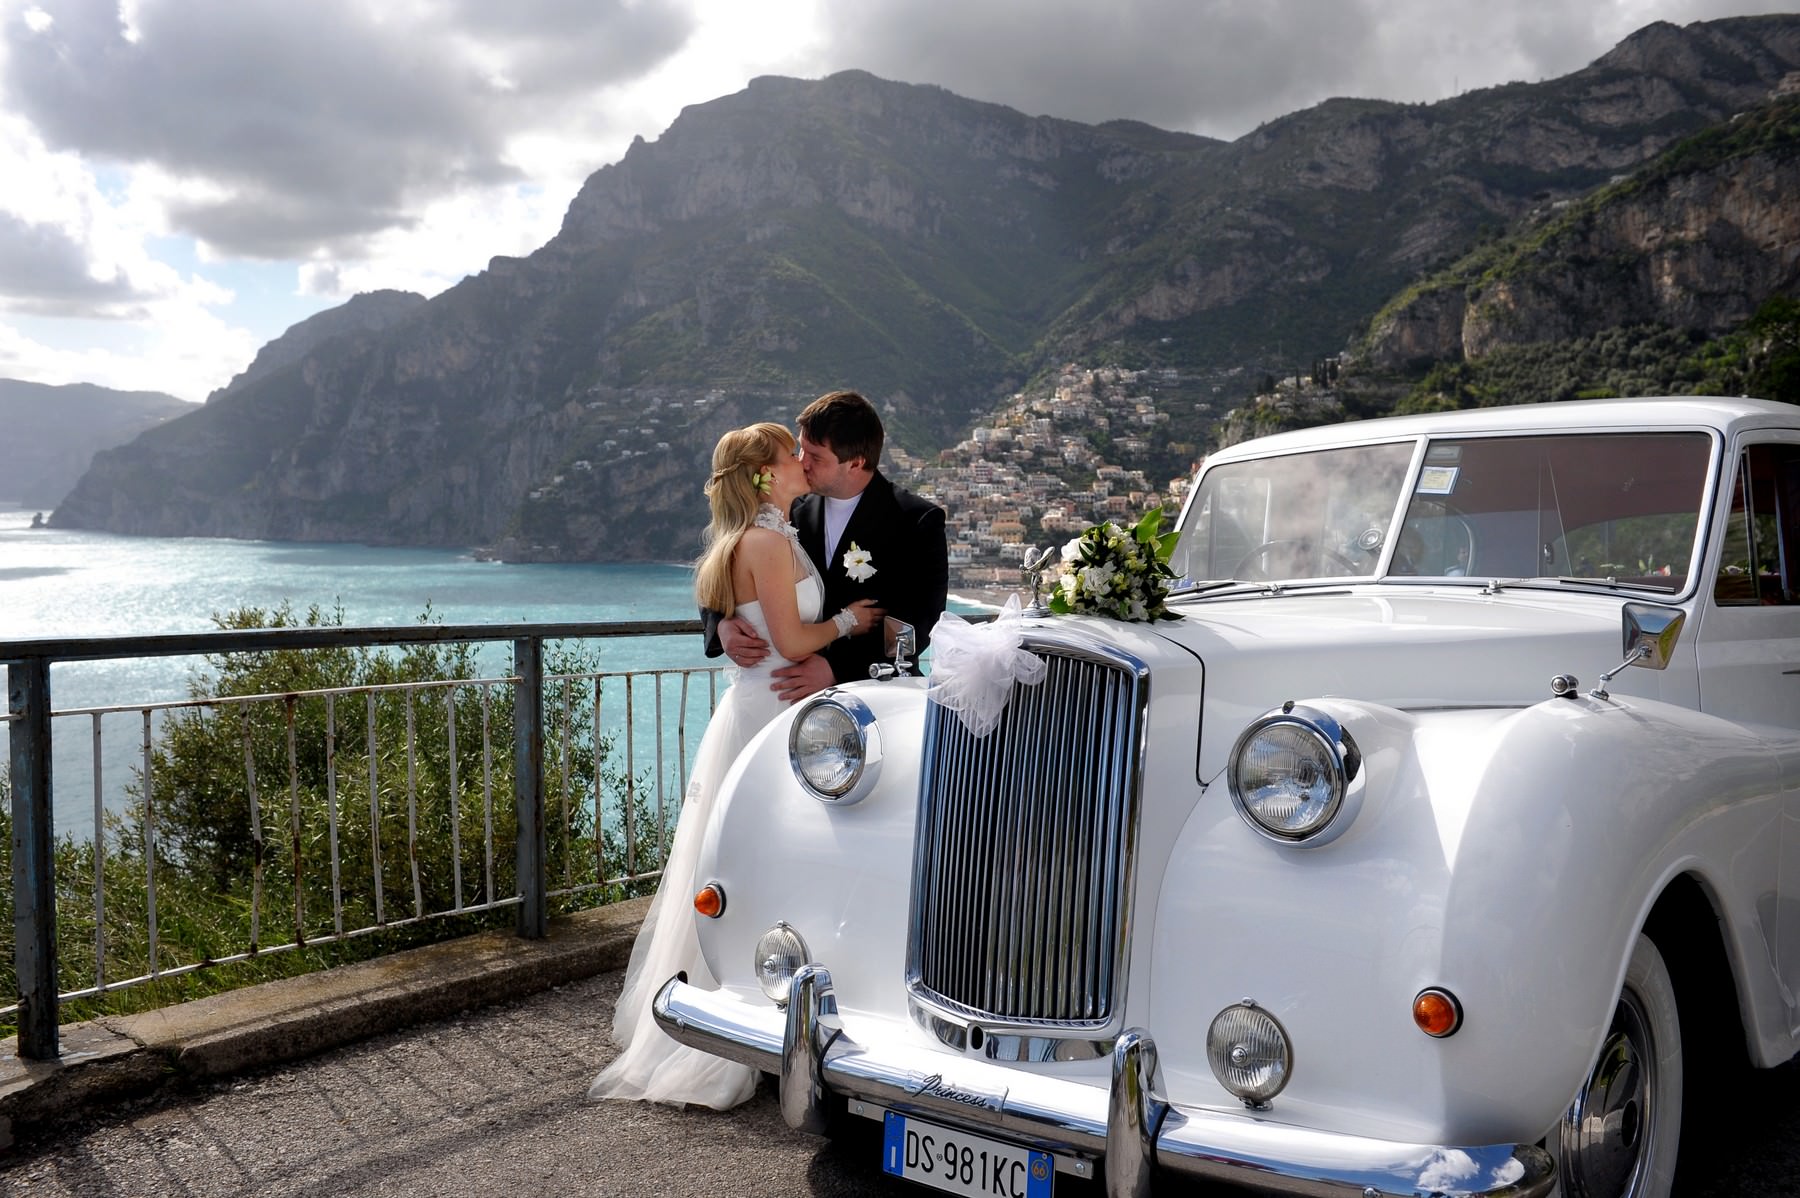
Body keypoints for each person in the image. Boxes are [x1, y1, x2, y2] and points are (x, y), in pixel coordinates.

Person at [590, 422, 881, 1110]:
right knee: (758, 865)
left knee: (743, 863)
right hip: (773, 718)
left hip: (760, 708)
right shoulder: (769, 540)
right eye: (791, 453)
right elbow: (789, 637)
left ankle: (758, 1001)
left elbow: (748, 605)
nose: (801, 460)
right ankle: (751, 1013)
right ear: (764, 475)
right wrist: (851, 624)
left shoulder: (750, 538)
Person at [708, 390, 949, 699]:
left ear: (855, 463)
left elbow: (919, 621)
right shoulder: (784, 511)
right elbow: (725, 559)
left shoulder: (915, 520)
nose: (803, 462)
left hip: (874, 691)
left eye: (816, 457)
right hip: (786, 691)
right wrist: (721, 625)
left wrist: (837, 667)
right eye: (801, 449)